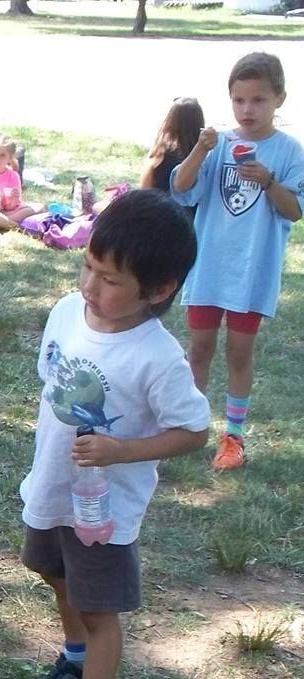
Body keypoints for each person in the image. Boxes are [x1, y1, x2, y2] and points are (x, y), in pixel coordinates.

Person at [17, 189, 210, 679]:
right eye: (87, 267)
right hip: (53, 485)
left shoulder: (158, 356)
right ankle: (75, 656)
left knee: (99, 609)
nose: (89, 287)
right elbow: (51, 380)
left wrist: (122, 449)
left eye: (109, 279)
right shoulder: (67, 312)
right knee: (50, 569)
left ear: (158, 289)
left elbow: (193, 431)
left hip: (102, 510)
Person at [171, 52, 304, 471]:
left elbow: (294, 210)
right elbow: (181, 187)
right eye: (239, 100)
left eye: (259, 100)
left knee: (239, 353)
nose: (248, 110)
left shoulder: (288, 152)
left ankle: (233, 436)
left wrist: (268, 181)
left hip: (251, 273)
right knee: (199, 350)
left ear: (279, 99)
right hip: (209, 266)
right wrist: (199, 150)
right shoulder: (219, 145)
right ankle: (187, 427)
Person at [138, 97, 205, 193]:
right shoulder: (202, 156)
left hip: (157, 206)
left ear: (170, 120)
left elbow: (144, 189)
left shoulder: (160, 152)